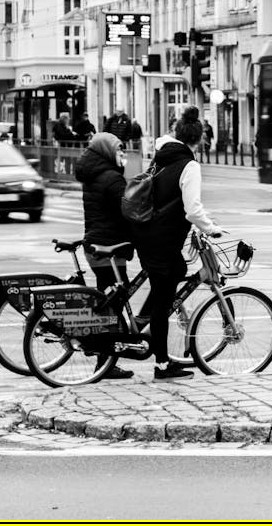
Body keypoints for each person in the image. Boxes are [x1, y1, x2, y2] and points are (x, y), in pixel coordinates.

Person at [131, 106, 224, 381]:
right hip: (162, 238)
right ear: (199, 139)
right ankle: (161, 365)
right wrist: (211, 228)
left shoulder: (162, 155)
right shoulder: (189, 165)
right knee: (163, 300)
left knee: (175, 273)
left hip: (148, 233)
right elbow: (192, 210)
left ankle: (140, 323)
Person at [74, 132, 136, 380]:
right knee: (114, 304)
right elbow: (128, 210)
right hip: (109, 247)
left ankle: (105, 358)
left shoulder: (95, 174)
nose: (123, 155)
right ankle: (105, 361)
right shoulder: (111, 179)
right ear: (108, 153)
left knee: (109, 298)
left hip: (98, 244)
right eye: (119, 151)